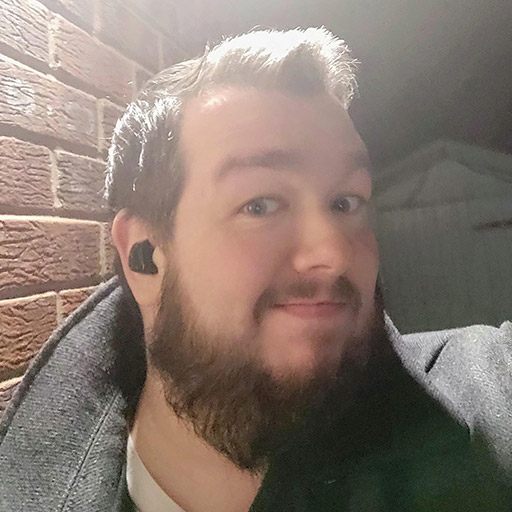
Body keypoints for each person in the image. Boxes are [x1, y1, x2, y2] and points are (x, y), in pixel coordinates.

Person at [0, 27, 511, 512]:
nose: (333, 251)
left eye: (346, 201)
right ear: (146, 256)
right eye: (260, 205)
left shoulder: (488, 402)